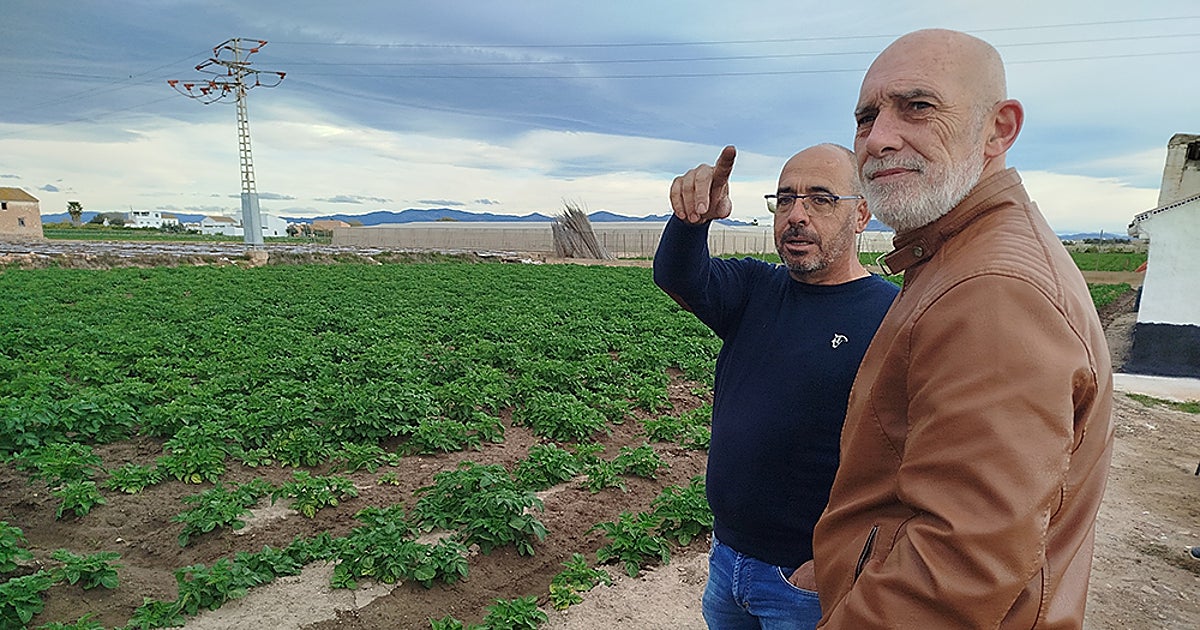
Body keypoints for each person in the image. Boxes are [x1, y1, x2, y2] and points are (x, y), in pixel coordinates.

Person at [801, 29, 1115, 628]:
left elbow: (955, 569)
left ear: (999, 129)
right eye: (866, 118)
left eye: (917, 106)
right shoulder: (955, 255)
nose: (879, 138)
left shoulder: (992, 287)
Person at [654, 143, 899, 629]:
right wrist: (692, 220)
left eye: (820, 199)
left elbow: (911, 460)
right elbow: (678, 275)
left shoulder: (891, 318)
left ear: (861, 215)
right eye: (785, 199)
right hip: (728, 558)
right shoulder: (754, 289)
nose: (796, 215)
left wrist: (832, 563)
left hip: (806, 582)